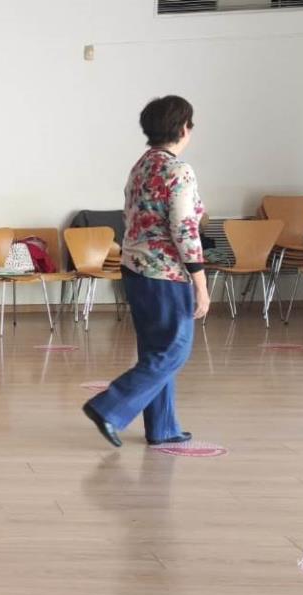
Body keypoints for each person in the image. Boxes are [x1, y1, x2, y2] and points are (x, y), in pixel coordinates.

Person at [83, 95, 209, 447]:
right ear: (183, 128)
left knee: (156, 350)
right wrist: (201, 283)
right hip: (164, 273)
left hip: (134, 269)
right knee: (174, 350)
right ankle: (110, 406)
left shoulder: (141, 166)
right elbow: (184, 228)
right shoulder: (178, 169)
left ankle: (163, 427)